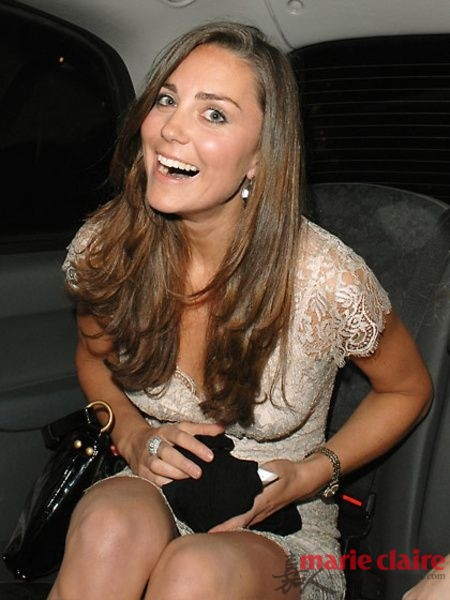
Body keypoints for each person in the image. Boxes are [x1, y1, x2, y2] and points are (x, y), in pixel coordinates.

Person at [49, 21, 432, 600]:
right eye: (167, 100)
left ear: (259, 156)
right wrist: (133, 434)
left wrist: (312, 473)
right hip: (156, 486)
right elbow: (93, 357)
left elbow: (406, 389)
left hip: (284, 526)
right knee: (107, 528)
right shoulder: (109, 247)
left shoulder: (325, 280)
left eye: (214, 114)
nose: (172, 129)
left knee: (194, 574)